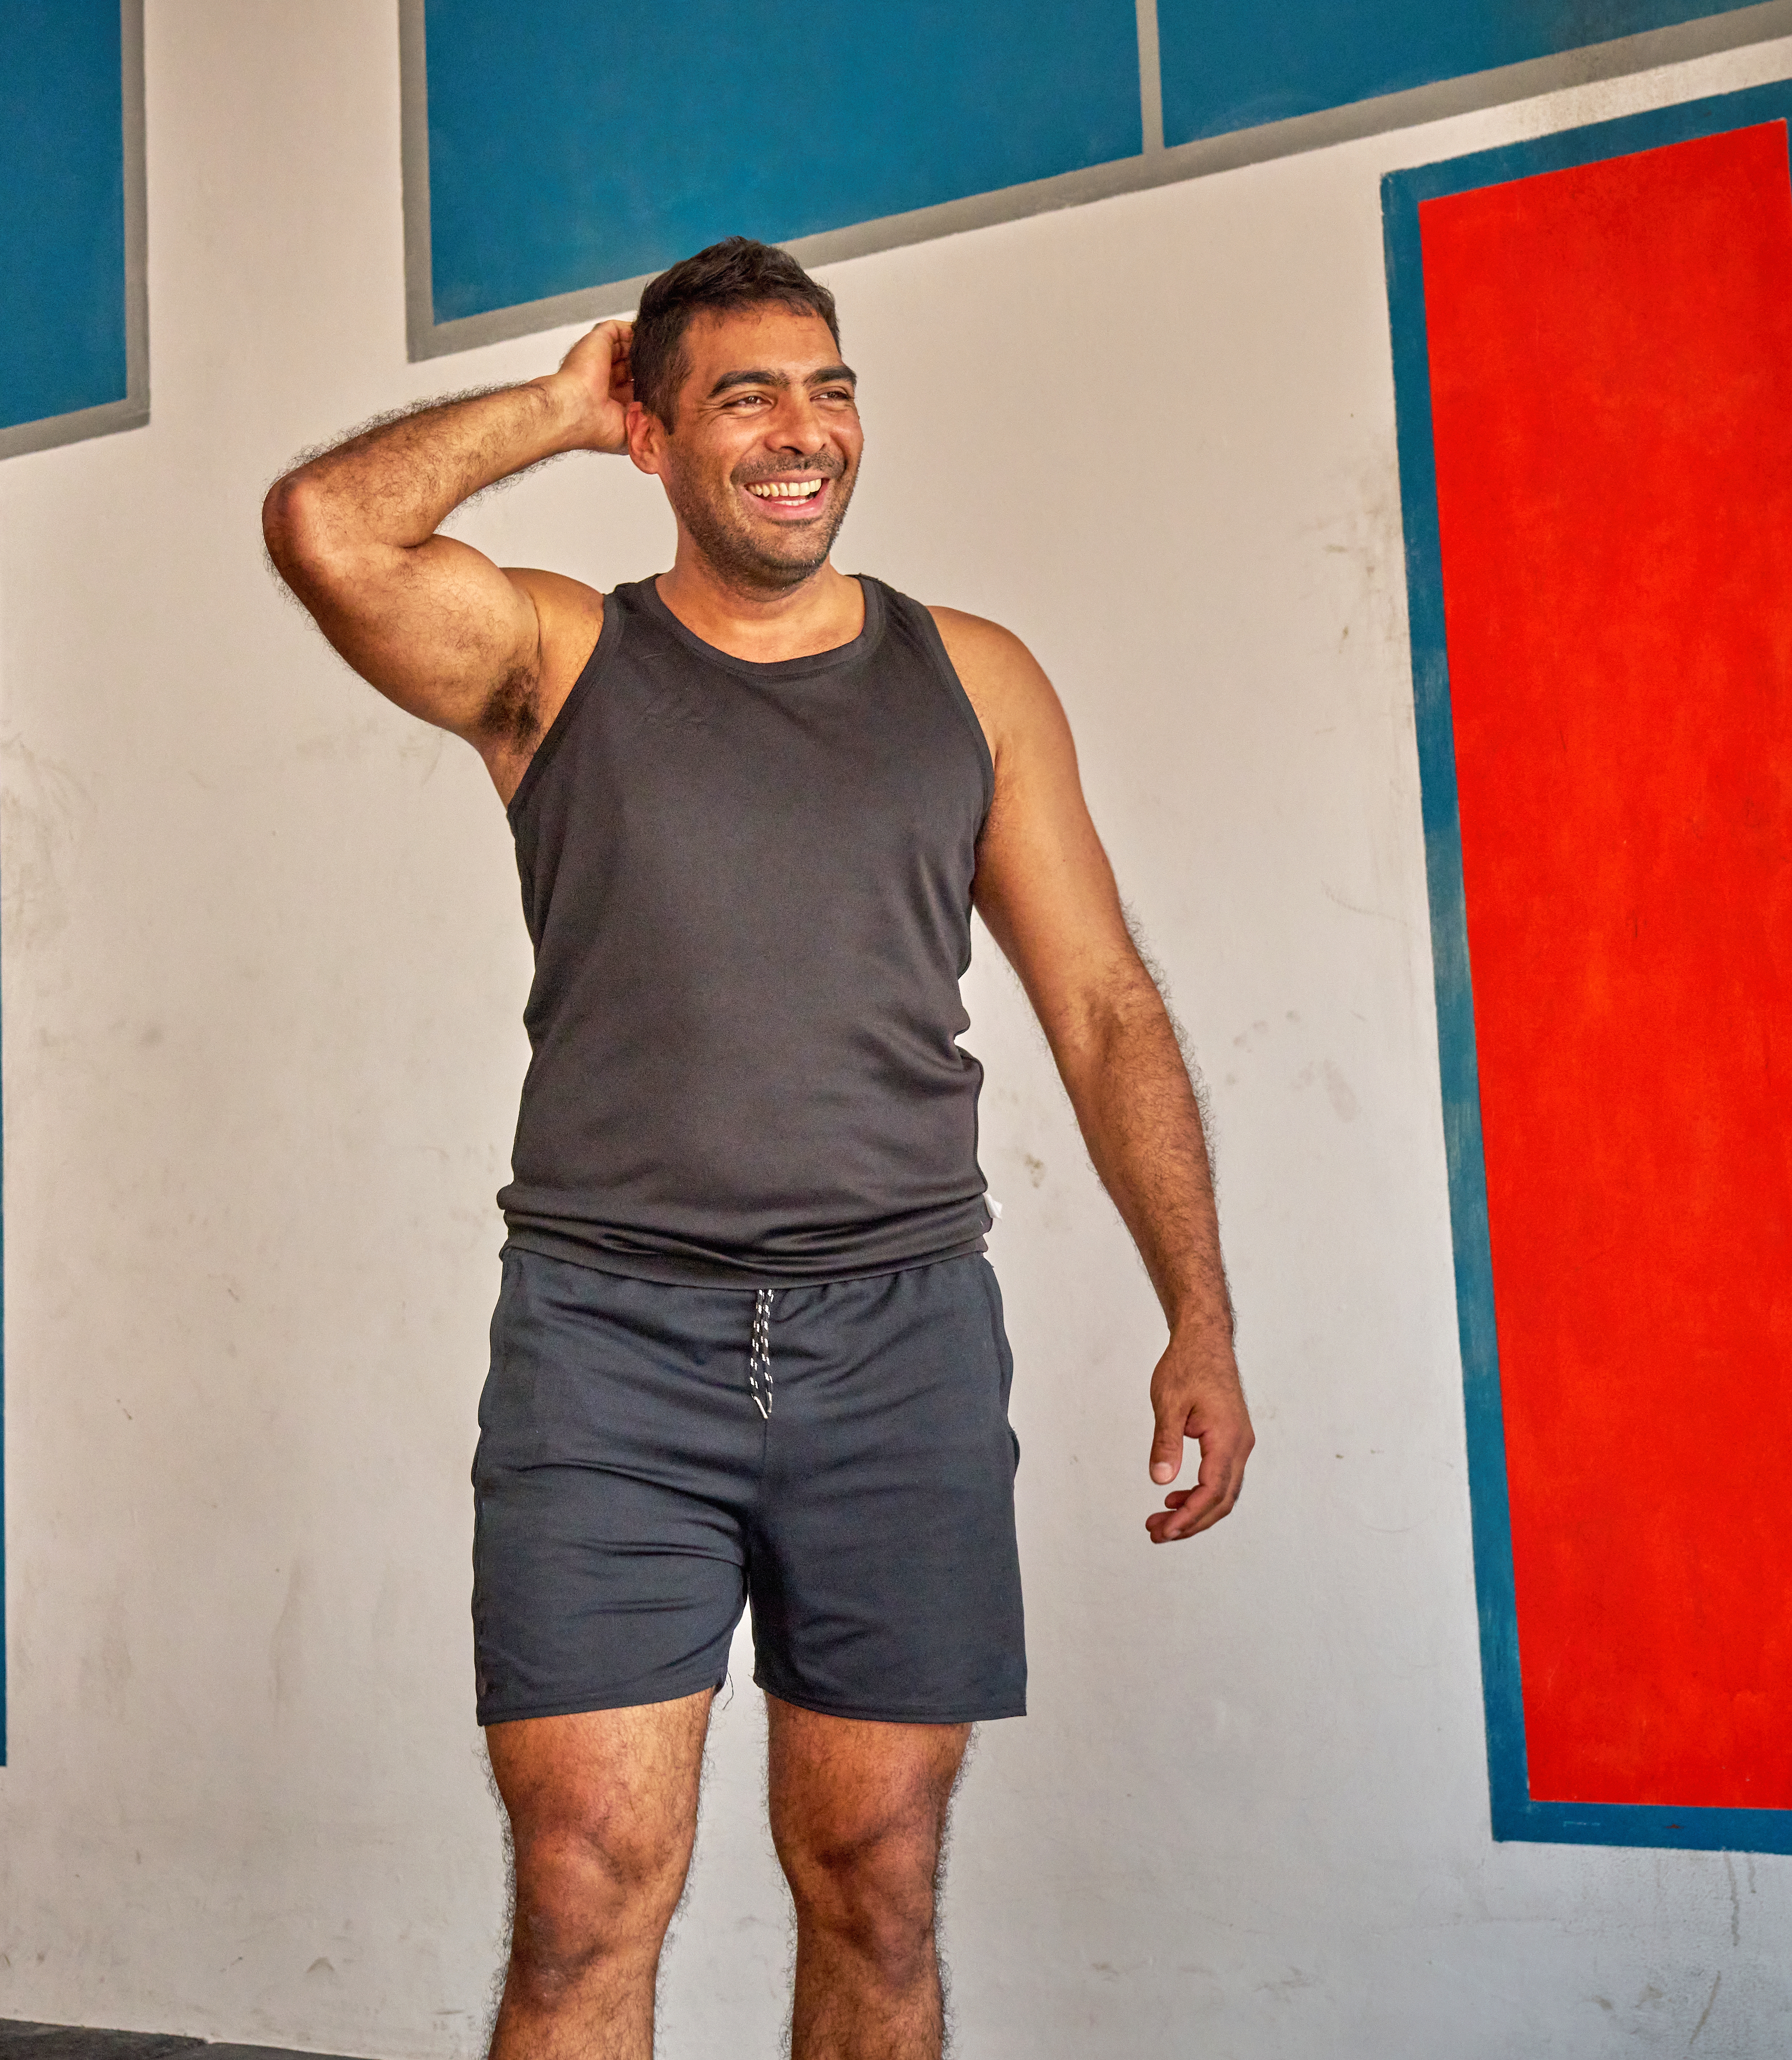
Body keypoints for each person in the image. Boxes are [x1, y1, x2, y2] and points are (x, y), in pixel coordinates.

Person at [259, 237, 1253, 2060]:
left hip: (901, 1343)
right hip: (608, 1348)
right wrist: (559, 406)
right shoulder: (561, 658)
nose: (803, 433)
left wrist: (1200, 1309)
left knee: (876, 1877)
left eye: (830, 386)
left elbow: (1103, 1001)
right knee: (582, 1889)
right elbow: (331, 526)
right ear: (659, 433)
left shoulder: (974, 678)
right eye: (744, 395)